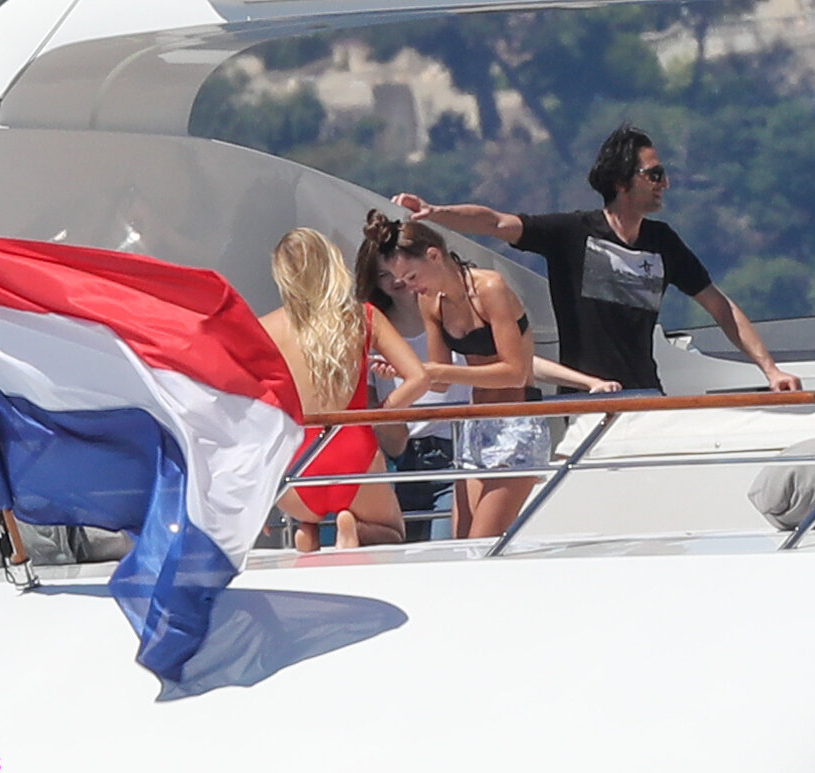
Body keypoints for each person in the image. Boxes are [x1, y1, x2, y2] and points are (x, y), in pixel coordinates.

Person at [392, 124, 802, 394]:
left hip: (645, 396)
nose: (665, 183)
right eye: (654, 174)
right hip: (586, 400)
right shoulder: (572, 233)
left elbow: (720, 306)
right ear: (622, 182)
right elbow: (497, 222)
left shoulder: (663, 242)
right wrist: (436, 212)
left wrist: (771, 370)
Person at [361, 210, 618, 540]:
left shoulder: (490, 288)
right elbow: (440, 383)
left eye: (412, 276)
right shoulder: (430, 302)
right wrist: (403, 370)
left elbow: (515, 372)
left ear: (434, 256)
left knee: (481, 540)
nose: (409, 287)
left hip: (517, 422)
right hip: (475, 426)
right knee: (459, 542)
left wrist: (433, 370)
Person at [260, 227, 429, 552]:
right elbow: (419, 377)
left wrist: (256, 490)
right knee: (393, 533)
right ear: (331, 263)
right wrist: (379, 414)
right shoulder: (362, 316)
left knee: (308, 516)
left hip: (296, 457)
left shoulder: (265, 328)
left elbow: (249, 408)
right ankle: (355, 528)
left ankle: (309, 528)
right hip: (352, 446)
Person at [356, 228, 473, 542]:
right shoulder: (371, 332)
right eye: (383, 275)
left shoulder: (452, 316)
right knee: (400, 555)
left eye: (403, 273)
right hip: (399, 460)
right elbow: (373, 411)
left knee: (445, 548)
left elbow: (508, 361)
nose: (396, 281)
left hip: (454, 451)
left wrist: (581, 380)